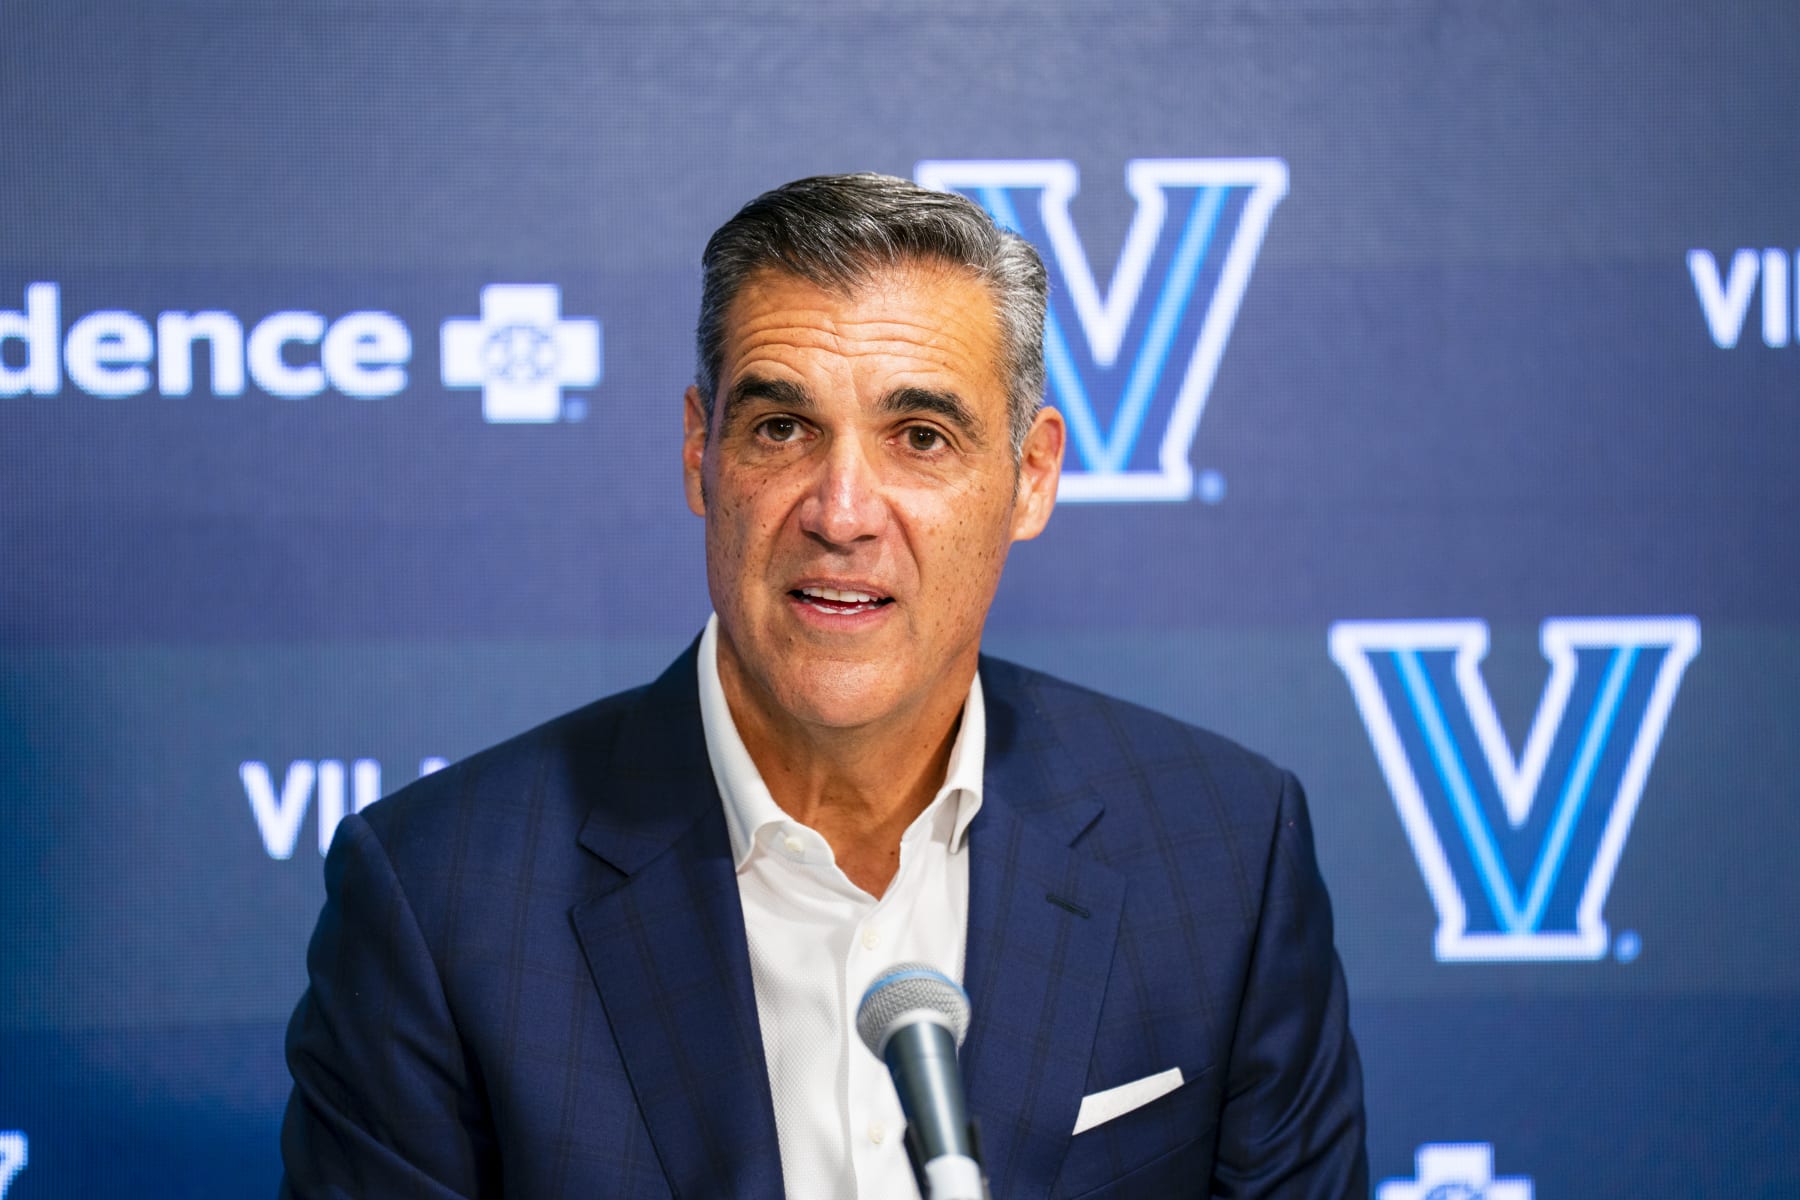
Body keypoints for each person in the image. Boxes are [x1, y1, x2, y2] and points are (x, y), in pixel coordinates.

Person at [280, 173, 1366, 1199]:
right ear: (701, 452)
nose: (841, 512)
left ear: (1030, 477)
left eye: (920, 436)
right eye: (782, 428)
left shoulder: (1224, 857)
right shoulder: (440, 899)